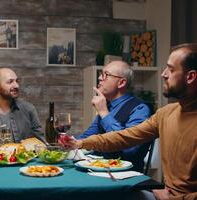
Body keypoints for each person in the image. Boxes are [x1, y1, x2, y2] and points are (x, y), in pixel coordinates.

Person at [61, 43, 197, 200]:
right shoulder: (166, 113)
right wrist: (79, 143)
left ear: (191, 77)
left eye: (171, 69)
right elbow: (125, 137)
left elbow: (130, 151)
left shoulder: (140, 108)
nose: (163, 74)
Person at [78, 61, 151, 172]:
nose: (99, 78)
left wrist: (103, 112)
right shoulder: (107, 105)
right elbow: (87, 136)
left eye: (105, 75)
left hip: (124, 177)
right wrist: (67, 144)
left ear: (121, 83)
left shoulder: (140, 109)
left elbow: (129, 149)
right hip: (98, 170)